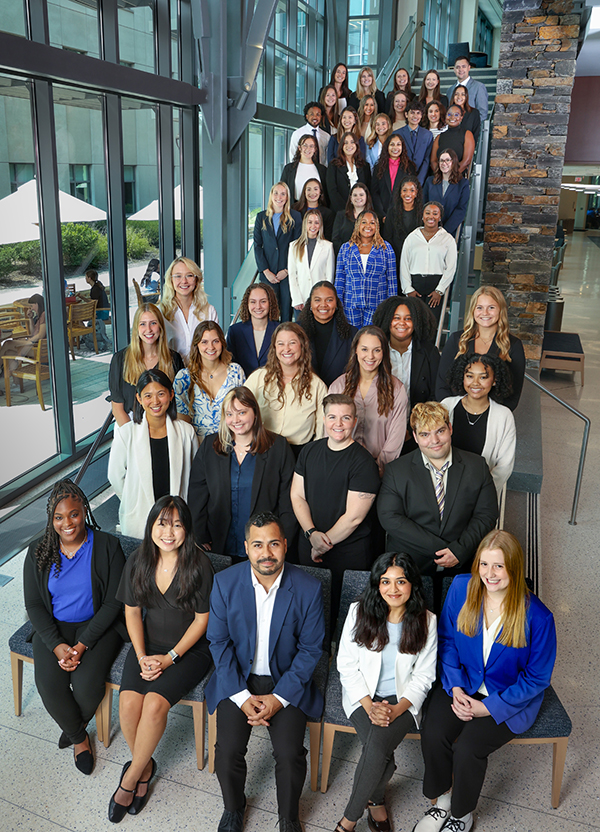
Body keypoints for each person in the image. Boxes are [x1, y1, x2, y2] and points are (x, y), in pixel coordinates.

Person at [412, 530, 556, 832]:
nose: (490, 574)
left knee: (467, 749)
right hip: (461, 683)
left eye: (499, 566)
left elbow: (537, 678)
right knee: (433, 732)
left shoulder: (538, 617)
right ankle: (443, 802)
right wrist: (455, 687)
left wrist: (488, 708)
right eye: (484, 564)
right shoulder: (462, 588)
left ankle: (462, 814)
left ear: (514, 569)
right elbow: (448, 640)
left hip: (507, 699)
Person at [206, 511, 325, 832]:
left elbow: (312, 649)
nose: (266, 553)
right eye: (258, 545)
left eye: (274, 544)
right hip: (237, 681)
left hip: (286, 681)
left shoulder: (308, 589)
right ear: (246, 547)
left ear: (285, 545)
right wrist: (243, 697)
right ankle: (233, 808)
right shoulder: (224, 583)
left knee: (289, 754)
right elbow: (217, 642)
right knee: (227, 750)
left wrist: (280, 698)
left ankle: (288, 817)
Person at [108, 496, 213, 822]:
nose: (169, 532)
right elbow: (132, 612)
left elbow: (201, 621)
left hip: (188, 651)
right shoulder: (138, 561)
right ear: (152, 526)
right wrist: (141, 656)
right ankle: (145, 765)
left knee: (153, 704)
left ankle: (129, 779)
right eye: (162, 523)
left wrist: (168, 659)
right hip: (146, 647)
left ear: (187, 529)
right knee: (127, 704)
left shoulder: (199, 565)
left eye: (177, 524)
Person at [23, 480, 125, 775]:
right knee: (49, 685)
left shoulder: (107, 545)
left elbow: (113, 603)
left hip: (97, 627)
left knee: (86, 687)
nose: (67, 523)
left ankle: (71, 726)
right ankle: (80, 738)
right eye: (59, 517)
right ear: (51, 520)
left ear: (84, 510)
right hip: (54, 628)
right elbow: (34, 604)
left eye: (74, 514)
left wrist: (81, 646)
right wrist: (56, 645)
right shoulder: (38, 550)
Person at [335, 552, 437, 832]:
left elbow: (423, 678)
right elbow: (346, 666)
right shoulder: (359, 612)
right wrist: (370, 707)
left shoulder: (428, 621)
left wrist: (395, 709)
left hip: (403, 702)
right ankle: (375, 799)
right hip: (361, 697)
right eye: (385, 582)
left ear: (412, 585)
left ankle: (347, 822)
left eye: (400, 581)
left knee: (377, 748)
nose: (393, 589)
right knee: (383, 758)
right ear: (377, 585)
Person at [377, 401, 498, 582]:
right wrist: (443, 549)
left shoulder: (477, 465)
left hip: (463, 562)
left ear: (450, 428)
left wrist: (459, 550)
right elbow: (390, 517)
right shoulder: (396, 471)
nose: (434, 441)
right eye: (425, 434)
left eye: (440, 431)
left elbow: (486, 515)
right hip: (410, 565)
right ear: (415, 437)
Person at [291, 393, 380, 620]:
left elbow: (354, 518)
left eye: (345, 418)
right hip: (309, 547)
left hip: (348, 553)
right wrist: (312, 534)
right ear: (323, 418)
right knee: (310, 614)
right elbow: (297, 496)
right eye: (332, 417)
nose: (338, 424)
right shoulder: (309, 451)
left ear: (355, 421)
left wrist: (321, 544)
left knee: (345, 619)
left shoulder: (364, 462)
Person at [187, 386, 296, 559]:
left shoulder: (278, 447)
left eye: (242, 412)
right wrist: (200, 534)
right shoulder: (210, 446)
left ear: (255, 413)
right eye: (229, 414)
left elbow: (288, 500)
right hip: (218, 543)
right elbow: (197, 494)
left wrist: (282, 541)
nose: (235, 420)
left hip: (264, 548)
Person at [108, 369, 198, 539]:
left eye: (161, 394)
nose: (155, 401)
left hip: (177, 518)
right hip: (140, 518)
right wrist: (132, 500)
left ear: (171, 395)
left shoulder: (186, 432)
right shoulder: (126, 433)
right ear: (139, 399)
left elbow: (195, 476)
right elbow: (115, 476)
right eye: (148, 395)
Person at [329, 326, 408, 474]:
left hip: (380, 470)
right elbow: (328, 431)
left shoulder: (396, 389)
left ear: (383, 352)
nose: (370, 356)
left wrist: (377, 469)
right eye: (364, 349)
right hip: (341, 466)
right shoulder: (338, 386)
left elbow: (395, 438)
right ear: (356, 350)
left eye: (376, 350)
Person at [436, 285, 526, 411]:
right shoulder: (457, 340)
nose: (485, 313)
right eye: (479, 307)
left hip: (493, 418)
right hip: (455, 413)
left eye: (491, 307)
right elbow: (441, 385)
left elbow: (513, 393)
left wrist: (489, 416)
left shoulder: (513, 345)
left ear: (501, 310)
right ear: (473, 310)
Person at [245, 322, 327, 457]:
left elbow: (321, 432)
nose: (286, 349)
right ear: (274, 347)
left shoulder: (317, 386)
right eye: (281, 343)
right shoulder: (257, 378)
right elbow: (240, 410)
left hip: (299, 453)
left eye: (292, 343)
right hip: (261, 449)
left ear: (302, 346)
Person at [442, 353, 516, 498]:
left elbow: (504, 466)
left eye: (483, 377)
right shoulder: (446, 405)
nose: (475, 383)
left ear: (494, 380)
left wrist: (480, 492)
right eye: (470, 376)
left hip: (481, 493)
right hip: (442, 487)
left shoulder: (503, 416)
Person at [108, 303, 184, 427]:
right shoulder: (120, 360)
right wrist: (133, 437)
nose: (148, 329)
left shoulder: (173, 359)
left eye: (153, 323)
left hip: (165, 426)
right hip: (130, 427)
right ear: (136, 328)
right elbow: (117, 408)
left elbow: (180, 403)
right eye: (143, 324)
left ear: (160, 326)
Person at [173, 321, 245, 440]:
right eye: (204, 342)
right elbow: (182, 422)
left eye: (215, 341)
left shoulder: (236, 372)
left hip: (230, 442)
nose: (211, 347)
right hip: (197, 446)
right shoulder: (184, 377)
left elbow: (244, 412)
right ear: (197, 345)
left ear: (222, 343)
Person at [372, 294, 440, 416]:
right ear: (388, 320)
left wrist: (416, 425)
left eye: (408, 319)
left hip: (418, 423)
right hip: (379, 420)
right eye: (396, 318)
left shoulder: (429, 352)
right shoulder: (376, 350)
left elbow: (435, 393)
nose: (402, 323)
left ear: (417, 322)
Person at [335, 211, 397, 327]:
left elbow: (392, 282)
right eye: (364, 222)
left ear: (377, 227)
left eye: (372, 223)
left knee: (371, 339)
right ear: (358, 225)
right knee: (353, 340)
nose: (368, 226)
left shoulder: (386, 248)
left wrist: (391, 307)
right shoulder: (346, 248)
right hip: (351, 305)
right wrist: (338, 305)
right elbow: (339, 280)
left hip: (377, 305)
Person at [400, 202, 458, 325]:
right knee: (413, 323)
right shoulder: (412, 237)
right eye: (427, 213)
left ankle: (429, 345)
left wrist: (439, 290)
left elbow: (451, 267)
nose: (431, 216)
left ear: (440, 217)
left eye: (435, 213)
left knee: (431, 323)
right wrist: (408, 289)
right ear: (422, 216)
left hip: (435, 286)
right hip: (415, 285)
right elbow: (404, 264)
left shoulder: (447, 239)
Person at [253, 181, 302, 323]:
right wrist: (266, 271)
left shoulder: (295, 217)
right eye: (276, 193)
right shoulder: (261, 217)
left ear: (287, 197)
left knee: (286, 313)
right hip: (268, 274)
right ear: (271, 195)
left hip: (287, 274)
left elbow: (297, 246)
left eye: (283, 194)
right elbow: (257, 246)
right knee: (268, 313)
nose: (279, 197)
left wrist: (286, 270)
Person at [298, 281, 358, 386]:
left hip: (339, 396)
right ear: (310, 304)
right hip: (304, 395)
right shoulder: (296, 331)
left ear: (337, 304)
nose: (323, 305)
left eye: (329, 300)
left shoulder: (352, 334)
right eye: (317, 300)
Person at [160, 257, 218, 363]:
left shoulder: (209, 311)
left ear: (196, 280)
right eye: (178, 276)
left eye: (189, 275)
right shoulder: (160, 313)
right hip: (170, 373)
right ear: (171, 280)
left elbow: (215, 347)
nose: (184, 281)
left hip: (202, 373)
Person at [225, 283, 279, 378]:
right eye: (253, 302)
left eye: (263, 301)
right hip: (243, 387)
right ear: (247, 304)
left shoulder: (280, 330)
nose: (258, 306)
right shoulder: (235, 331)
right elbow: (230, 364)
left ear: (270, 303)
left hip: (273, 386)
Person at [288, 209, 335, 315]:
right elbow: (292, 275)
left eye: (316, 222)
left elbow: (329, 277)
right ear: (305, 224)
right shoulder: (294, 246)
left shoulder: (327, 246)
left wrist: (325, 299)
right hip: (301, 302)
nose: (313, 226)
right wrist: (297, 299)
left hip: (320, 302)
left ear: (320, 225)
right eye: (310, 222)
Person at [383, 175, 423, 284]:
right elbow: (387, 237)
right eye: (404, 190)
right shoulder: (392, 212)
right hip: (396, 258)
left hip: (417, 259)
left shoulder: (423, 212)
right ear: (400, 193)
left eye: (411, 190)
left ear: (416, 193)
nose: (408, 194)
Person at [423, 148, 470, 239]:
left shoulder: (463, 184)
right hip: (430, 230)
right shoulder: (430, 181)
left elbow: (461, 209)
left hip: (450, 232)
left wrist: (445, 230)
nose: (444, 163)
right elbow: (424, 203)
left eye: (447, 160)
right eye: (441, 160)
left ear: (454, 162)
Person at [0, 293, 46, 379]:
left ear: (37, 304)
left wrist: (29, 341)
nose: (31, 309)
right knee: (9, 353)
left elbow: (40, 335)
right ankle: (13, 381)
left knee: (7, 344)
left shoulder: (44, 315)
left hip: (39, 349)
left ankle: (5, 375)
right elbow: (33, 333)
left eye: (32, 306)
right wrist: (30, 318)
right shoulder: (40, 317)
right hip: (35, 346)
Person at [372, 134, 417, 219]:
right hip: (383, 215)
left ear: (402, 147)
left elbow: (412, 192)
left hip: (403, 215)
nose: (395, 148)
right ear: (387, 147)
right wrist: (382, 214)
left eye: (398, 144)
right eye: (392, 144)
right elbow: (374, 192)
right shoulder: (379, 167)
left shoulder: (410, 167)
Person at [326, 131, 371, 214]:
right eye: (345, 143)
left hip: (361, 212)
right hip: (339, 212)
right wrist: (345, 211)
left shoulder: (365, 166)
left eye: (352, 142)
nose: (349, 145)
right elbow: (332, 191)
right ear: (341, 146)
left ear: (357, 145)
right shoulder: (333, 165)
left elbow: (368, 190)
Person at [280, 134, 328, 203]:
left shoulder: (323, 170)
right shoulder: (289, 169)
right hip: (294, 209)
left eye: (311, 146)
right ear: (299, 148)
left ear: (315, 149)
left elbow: (326, 193)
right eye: (305, 145)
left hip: (317, 209)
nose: (308, 149)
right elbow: (282, 191)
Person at [332, 181, 374, 258]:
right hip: (345, 257)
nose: (358, 198)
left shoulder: (374, 217)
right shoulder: (341, 215)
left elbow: (376, 239)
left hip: (368, 258)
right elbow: (335, 239)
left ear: (366, 197)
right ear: (350, 198)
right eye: (355, 195)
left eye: (361, 195)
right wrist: (347, 253)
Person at [397, 101, 434, 186]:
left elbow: (427, 159)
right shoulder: (397, 134)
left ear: (421, 115)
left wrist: (420, 179)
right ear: (406, 114)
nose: (415, 116)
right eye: (412, 113)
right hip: (402, 177)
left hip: (421, 179)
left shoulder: (428, 135)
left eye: (418, 113)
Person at [431, 105, 475, 178]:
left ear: (461, 117)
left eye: (456, 115)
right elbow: (433, 161)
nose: (452, 117)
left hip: (458, 178)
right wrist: (441, 175)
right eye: (449, 114)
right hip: (440, 179)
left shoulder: (467, 134)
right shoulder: (439, 137)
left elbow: (466, 161)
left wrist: (452, 176)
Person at [446, 55, 489, 123]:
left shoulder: (479, 87)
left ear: (469, 68)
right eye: (458, 67)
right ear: (454, 70)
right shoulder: (450, 90)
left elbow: (482, 114)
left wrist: (471, 127)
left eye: (463, 66)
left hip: (470, 131)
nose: (461, 70)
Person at [289, 101, 330, 166]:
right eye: (312, 114)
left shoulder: (326, 136)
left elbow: (327, 158)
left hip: (321, 172)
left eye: (318, 114)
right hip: (302, 170)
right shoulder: (297, 133)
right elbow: (293, 155)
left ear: (321, 117)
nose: (315, 117)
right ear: (307, 116)